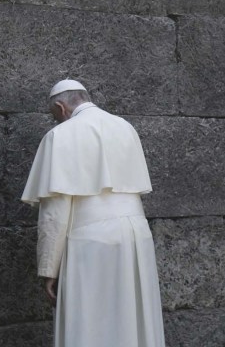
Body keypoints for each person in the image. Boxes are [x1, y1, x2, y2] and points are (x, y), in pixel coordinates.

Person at [21, 79, 165, 347]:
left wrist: (49, 270)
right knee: (133, 319)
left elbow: (56, 212)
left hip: (91, 241)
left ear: (61, 107)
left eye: (55, 116)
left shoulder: (60, 135)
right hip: (136, 237)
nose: (56, 121)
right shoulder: (125, 127)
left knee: (90, 324)